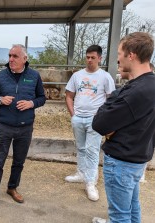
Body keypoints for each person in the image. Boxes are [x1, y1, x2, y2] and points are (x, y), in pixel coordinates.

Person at [92, 32, 155, 223]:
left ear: (131, 55)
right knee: (132, 207)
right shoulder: (150, 84)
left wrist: (112, 101)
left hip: (122, 161)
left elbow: (100, 123)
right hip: (138, 157)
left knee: (119, 216)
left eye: (119, 53)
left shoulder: (134, 92)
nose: (117, 58)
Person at [0, 44, 46, 210]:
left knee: (19, 161)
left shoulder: (34, 76)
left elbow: (42, 98)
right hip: (4, 126)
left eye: (15, 56)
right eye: (10, 56)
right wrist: (0, 100)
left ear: (25, 59)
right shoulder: (1, 76)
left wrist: (31, 103)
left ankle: (12, 187)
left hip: (25, 128)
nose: (11, 59)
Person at [64, 45, 115, 202]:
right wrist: (73, 114)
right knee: (80, 147)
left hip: (95, 120)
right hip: (79, 118)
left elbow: (111, 99)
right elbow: (69, 95)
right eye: (87, 57)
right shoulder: (77, 76)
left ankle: (91, 183)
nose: (89, 60)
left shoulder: (105, 77)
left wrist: (103, 117)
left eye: (93, 57)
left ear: (100, 58)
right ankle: (81, 173)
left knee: (92, 150)